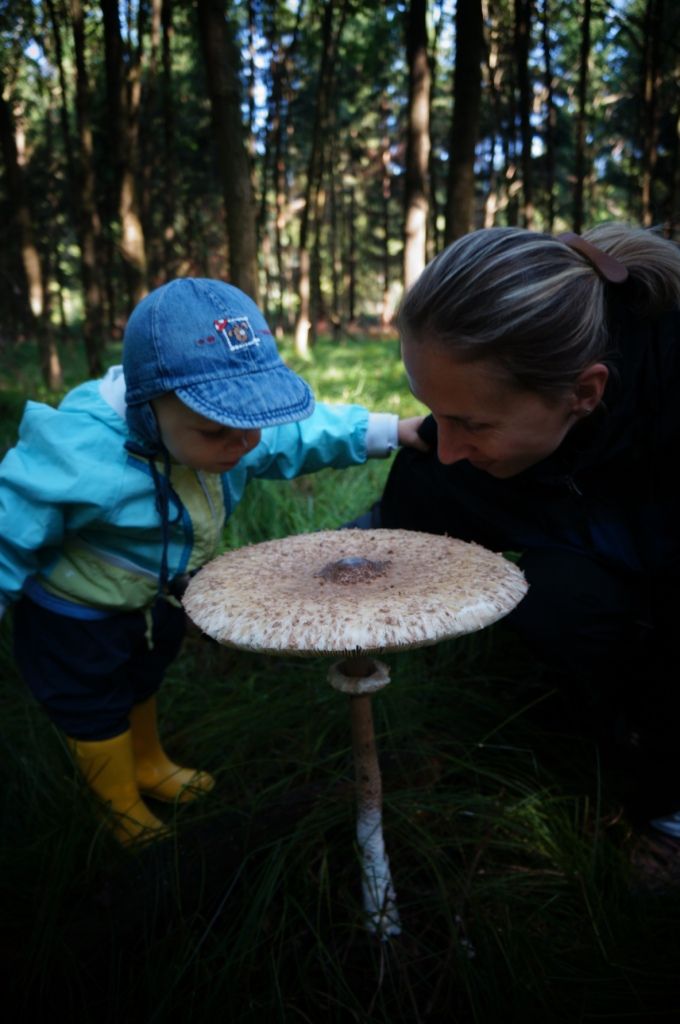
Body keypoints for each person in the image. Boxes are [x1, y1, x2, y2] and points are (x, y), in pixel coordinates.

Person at [0, 278, 424, 846]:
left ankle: (148, 762)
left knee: (143, 679)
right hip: (74, 616)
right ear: (146, 410)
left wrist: (389, 431)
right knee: (92, 705)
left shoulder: (226, 435)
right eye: (218, 427)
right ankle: (118, 805)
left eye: (252, 419)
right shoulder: (77, 452)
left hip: (155, 597)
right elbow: (10, 527)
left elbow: (298, 434)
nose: (245, 442)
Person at [349, 224, 680, 837]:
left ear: (585, 392)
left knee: (568, 605)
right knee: (441, 480)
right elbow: (432, 464)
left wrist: (657, 799)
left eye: (469, 423)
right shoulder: (518, 402)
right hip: (586, 502)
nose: (448, 448)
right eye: (436, 413)